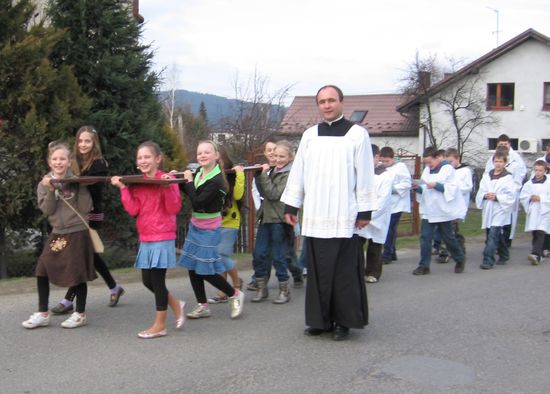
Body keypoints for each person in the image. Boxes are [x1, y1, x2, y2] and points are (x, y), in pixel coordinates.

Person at [282, 85, 377, 341]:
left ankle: (343, 322)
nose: (327, 105)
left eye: (331, 100)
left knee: (343, 272)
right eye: (322, 101)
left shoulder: (358, 135)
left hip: (344, 212)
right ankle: (319, 320)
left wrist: (365, 210)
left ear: (341, 102)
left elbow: (365, 174)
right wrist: (292, 205)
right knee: (318, 269)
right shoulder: (310, 135)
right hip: (315, 212)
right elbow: (298, 171)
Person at [111, 141, 185, 339]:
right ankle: (176, 304)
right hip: (146, 236)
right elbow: (133, 209)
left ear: (157, 159)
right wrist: (123, 188)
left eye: (147, 157)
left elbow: (173, 208)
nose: (143, 161)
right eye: (140, 157)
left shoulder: (166, 179)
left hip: (163, 235)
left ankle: (160, 325)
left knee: (158, 281)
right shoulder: (137, 182)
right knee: (147, 281)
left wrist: (168, 186)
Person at [22, 142, 97, 329]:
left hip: (78, 230)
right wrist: (50, 190)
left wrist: (77, 186)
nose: (58, 162)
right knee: (42, 268)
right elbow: (47, 210)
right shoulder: (44, 183)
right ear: (49, 162)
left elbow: (86, 208)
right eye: (55, 159)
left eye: (62, 159)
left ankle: (80, 314)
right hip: (58, 233)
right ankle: (43, 313)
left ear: (69, 161)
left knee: (78, 272)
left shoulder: (77, 181)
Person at [51, 126, 124, 315]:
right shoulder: (73, 161)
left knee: (81, 254)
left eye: (88, 141)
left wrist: (65, 179)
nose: (83, 144)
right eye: (80, 141)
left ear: (94, 143)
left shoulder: (99, 164)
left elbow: (82, 182)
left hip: (92, 214)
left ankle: (68, 299)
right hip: (75, 213)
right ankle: (114, 287)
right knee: (88, 254)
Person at [178, 140, 245, 320]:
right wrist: (176, 181)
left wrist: (188, 181)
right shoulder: (199, 172)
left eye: (207, 152)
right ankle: (203, 305)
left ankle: (234, 294)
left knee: (205, 269)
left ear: (216, 156)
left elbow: (198, 201)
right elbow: (191, 192)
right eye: (199, 153)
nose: (202, 155)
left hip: (210, 229)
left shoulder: (217, 180)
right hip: (195, 226)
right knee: (192, 267)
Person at [251, 140, 295, 304]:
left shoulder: (289, 175)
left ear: (290, 157)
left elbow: (273, 193)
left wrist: (263, 175)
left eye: (282, 156)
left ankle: (284, 289)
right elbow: (263, 191)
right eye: (275, 155)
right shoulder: (272, 171)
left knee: (278, 255)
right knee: (259, 253)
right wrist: (260, 175)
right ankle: (261, 288)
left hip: (279, 219)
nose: (277, 159)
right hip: (266, 217)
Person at [412, 146, 466, 275]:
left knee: (448, 237)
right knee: (425, 238)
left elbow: (452, 189)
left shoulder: (447, 169)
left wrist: (437, 185)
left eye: (430, 162)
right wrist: (416, 188)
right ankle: (424, 266)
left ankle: (459, 258)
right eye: (426, 163)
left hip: (442, 210)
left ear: (437, 158)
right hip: (429, 210)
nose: (428, 165)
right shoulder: (427, 170)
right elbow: (424, 189)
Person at [207, 147, 244, 303]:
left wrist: (240, 174)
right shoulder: (211, 176)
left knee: (222, 254)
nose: (217, 164)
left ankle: (236, 284)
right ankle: (223, 290)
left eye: (220, 160)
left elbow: (237, 195)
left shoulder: (231, 176)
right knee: (217, 257)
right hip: (215, 221)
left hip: (230, 220)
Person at [356, 145, 395, 283]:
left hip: (377, 216)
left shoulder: (386, 176)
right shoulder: (360, 173)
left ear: (377, 157)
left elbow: (383, 200)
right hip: (360, 214)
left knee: (375, 245)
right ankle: (357, 272)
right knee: (357, 245)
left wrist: (368, 216)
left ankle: (373, 272)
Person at [476, 150, 518, 269]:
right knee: (492, 233)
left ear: (505, 163)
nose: (498, 164)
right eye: (496, 161)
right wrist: (485, 195)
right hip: (489, 208)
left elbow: (511, 195)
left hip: (500, 208)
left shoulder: (508, 178)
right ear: (493, 162)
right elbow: (481, 190)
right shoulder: (487, 176)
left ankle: (488, 260)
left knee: (493, 234)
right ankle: (504, 255)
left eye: (500, 161)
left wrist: (497, 197)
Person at [484, 134, 527, 245]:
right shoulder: (492, 158)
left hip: (509, 193)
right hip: (493, 193)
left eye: (505, 144)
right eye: (501, 144)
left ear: (509, 144)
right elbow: (487, 174)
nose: (503, 146)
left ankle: (506, 240)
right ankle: (493, 241)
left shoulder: (515, 159)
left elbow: (520, 175)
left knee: (509, 216)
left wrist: (514, 189)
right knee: (493, 219)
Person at [434, 148, 473, 263]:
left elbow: (468, 187)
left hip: (457, 205)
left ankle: (448, 251)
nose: (449, 165)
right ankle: (453, 250)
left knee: (451, 230)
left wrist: (453, 189)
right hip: (445, 204)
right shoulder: (446, 171)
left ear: (457, 159)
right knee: (447, 229)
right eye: (446, 162)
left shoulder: (465, 171)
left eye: (451, 161)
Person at [379, 146, 412, 264]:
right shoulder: (381, 168)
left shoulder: (400, 167)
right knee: (391, 228)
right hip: (387, 203)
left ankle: (387, 254)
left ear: (393, 158)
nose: (384, 163)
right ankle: (392, 253)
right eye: (382, 161)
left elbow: (407, 183)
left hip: (398, 203)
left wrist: (393, 189)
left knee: (389, 228)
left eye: (387, 161)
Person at [519, 160, 550, 265]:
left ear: (545, 171)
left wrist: (541, 198)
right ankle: (539, 256)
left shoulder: (549, 182)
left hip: (545, 211)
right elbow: (523, 196)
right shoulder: (529, 184)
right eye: (536, 170)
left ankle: (535, 253)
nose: (538, 173)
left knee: (541, 231)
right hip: (533, 211)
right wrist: (529, 198)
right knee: (535, 233)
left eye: (540, 170)